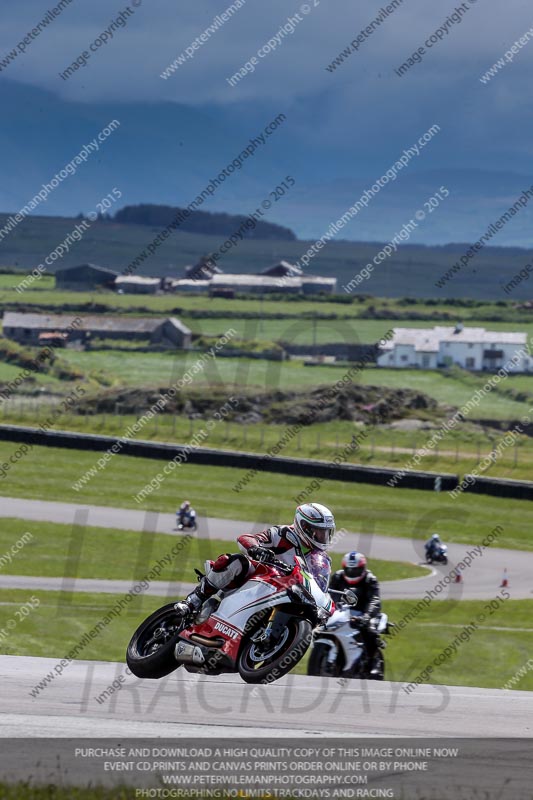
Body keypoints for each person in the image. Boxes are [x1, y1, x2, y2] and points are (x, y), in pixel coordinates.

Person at [174, 502, 335, 621]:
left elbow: (319, 583)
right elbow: (246, 538)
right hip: (260, 580)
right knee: (236, 561)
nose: (322, 537)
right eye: (318, 532)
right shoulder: (282, 534)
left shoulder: (319, 558)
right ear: (304, 527)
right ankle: (194, 600)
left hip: (288, 595)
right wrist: (256, 549)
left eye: (325, 533)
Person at [329, 551, 383, 676]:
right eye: (349, 570)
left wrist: (367, 616)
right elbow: (330, 594)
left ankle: (374, 661)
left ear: (362, 568)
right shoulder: (337, 577)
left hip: (363, 613)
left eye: (356, 570)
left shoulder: (370, 579)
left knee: (371, 629)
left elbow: (374, 600)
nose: (352, 573)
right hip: (341, 612)